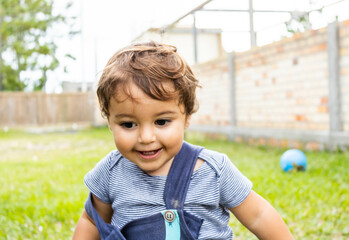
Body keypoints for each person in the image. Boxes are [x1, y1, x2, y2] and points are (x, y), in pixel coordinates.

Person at [73, 41, 294, 240]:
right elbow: (91, 221)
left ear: (186, 117)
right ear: (109, 121)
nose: (146, 138)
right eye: (128, 124)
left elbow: (258, 215)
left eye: (161, 122)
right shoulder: (111, 172)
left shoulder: (213, 171)